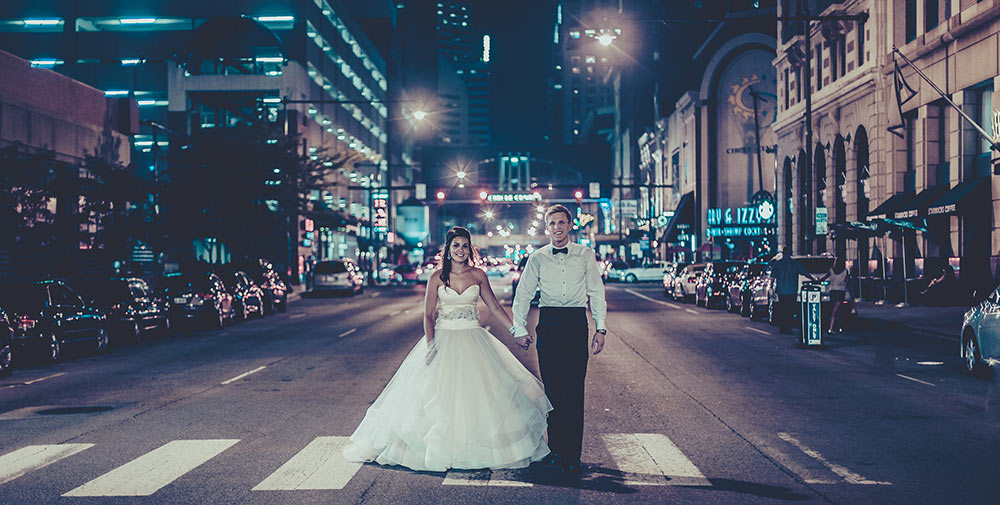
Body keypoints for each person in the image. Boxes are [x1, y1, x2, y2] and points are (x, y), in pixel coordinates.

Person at [342, 227, 551, 471]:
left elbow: (494, 308)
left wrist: (517, 331)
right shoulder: (436, 278)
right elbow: (428, 315)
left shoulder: (479, 275)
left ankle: (476, 447)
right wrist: (431, 346)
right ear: (448, 249)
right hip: (444, 338)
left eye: (464, 245)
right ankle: (439, 448)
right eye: (456, 246)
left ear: (469, 249)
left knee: (477, 396)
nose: (460, 250)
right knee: (436, 399)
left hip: (473, 338)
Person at [512, 204, 608, 478]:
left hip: (576, 323)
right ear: (547, 227)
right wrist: (519, 328)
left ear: (569, 225)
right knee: (553, 390)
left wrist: (600, 329)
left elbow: (596, 292)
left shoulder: (585, 255)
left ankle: (572, 456)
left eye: (561, 222)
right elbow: (524, 293)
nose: (557, 227)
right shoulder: (538, 258)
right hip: (550, 323)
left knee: (574, 390)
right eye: (552, 223)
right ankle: (555, 452)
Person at [769, 246, 815, 334]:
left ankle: (783, 327)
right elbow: (804, 272)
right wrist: (812, 278)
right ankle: (788, 327)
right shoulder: (794, 263)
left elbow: (772, 277)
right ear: (790, 253)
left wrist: (771, 287)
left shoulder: (778, 263)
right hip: (792, 290)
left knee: (782, 309)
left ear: (783, 253)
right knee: (790, 310)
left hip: (781, 290)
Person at [820, 257, 849, 333]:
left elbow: (824, 278)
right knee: (836, 309)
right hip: (840, 291)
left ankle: (839, 326)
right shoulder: (845, 272)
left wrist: (818, 281)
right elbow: (847, 281)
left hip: (832, 291)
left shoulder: (831, 271)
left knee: (836, 309)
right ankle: (831, 327)